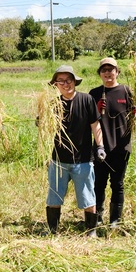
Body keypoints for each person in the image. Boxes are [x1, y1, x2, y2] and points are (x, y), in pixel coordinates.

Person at [45, 65, 105, 238]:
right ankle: (52, 230)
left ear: (74, 81)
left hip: (83, 159)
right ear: (56, 84)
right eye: (61, 81)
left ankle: (91, 231)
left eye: (68, 80)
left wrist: (99, 146)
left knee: (88, 196)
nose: (65, 84)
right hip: (58, 160)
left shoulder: (86, 100)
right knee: (54, 196)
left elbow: (96, 125)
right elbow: (46, 129)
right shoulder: (52, 105)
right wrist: (41, 122)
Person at [89, 57, 136, 229]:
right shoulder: (94, 94)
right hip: (101, 147)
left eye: (111, 69)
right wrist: (96, 109)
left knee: (117, 183)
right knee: (98, 183)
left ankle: (115, 220)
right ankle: (98, 217)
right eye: (104, 70)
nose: (107, 73)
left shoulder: (127, 92)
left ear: (117, 72)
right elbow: (89, 121)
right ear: (100, 74)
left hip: (122, 146)